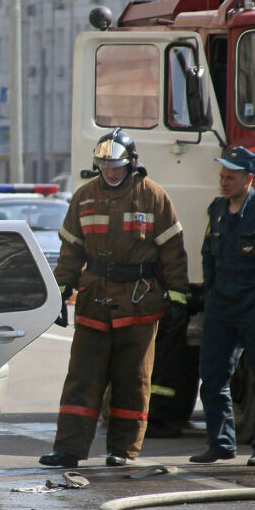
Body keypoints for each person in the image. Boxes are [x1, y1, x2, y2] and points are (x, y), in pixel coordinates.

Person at [39, 128, 189, 468]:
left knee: (133, 380)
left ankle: (123, 450)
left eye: (117, 166)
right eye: (105, 166)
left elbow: (172, 252)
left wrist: (179, 298)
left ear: (132, 163)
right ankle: (69, 449)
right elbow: (70, 253)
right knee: (82, 378)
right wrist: (59, 293)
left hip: (139, 302)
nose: (110, 172)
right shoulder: (84, 196)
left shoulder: (153, 196)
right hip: (94, 300)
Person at [191, 146, 255, 465]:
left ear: (248, 179)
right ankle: (221, 443)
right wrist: (211, 293)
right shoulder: (217, 209)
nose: (224, 182)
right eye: (222, 176)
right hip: (222, 306)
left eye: (231, 177)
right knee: (212, 376)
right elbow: (208, 254)